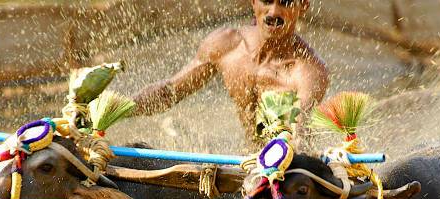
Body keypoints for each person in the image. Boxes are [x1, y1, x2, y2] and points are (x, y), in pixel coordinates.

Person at [132, 0, 329, 151]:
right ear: (253, 2)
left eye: (285, 2)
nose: (274, 12)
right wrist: (120, 109)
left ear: (303, 6)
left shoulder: (308, 71)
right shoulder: (227, 44)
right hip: (245, 163)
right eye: (267, 1)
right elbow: (170, 92)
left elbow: (298, 134)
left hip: (286, 170)